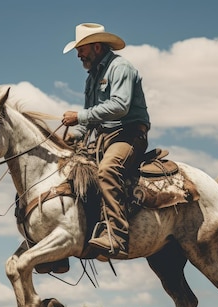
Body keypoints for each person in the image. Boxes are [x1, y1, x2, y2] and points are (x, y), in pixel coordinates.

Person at [62, 23, 150, 258]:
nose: (78, 55)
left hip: (129, 135)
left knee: (108, 171)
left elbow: (120, 106)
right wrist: (73, 136)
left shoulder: (120, 67)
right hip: (102, 138)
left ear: (96, 47)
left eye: (81, 49)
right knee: (66, 171)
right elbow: (91, 116)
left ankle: (116, 235)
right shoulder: (92, 78)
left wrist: (78, 116)